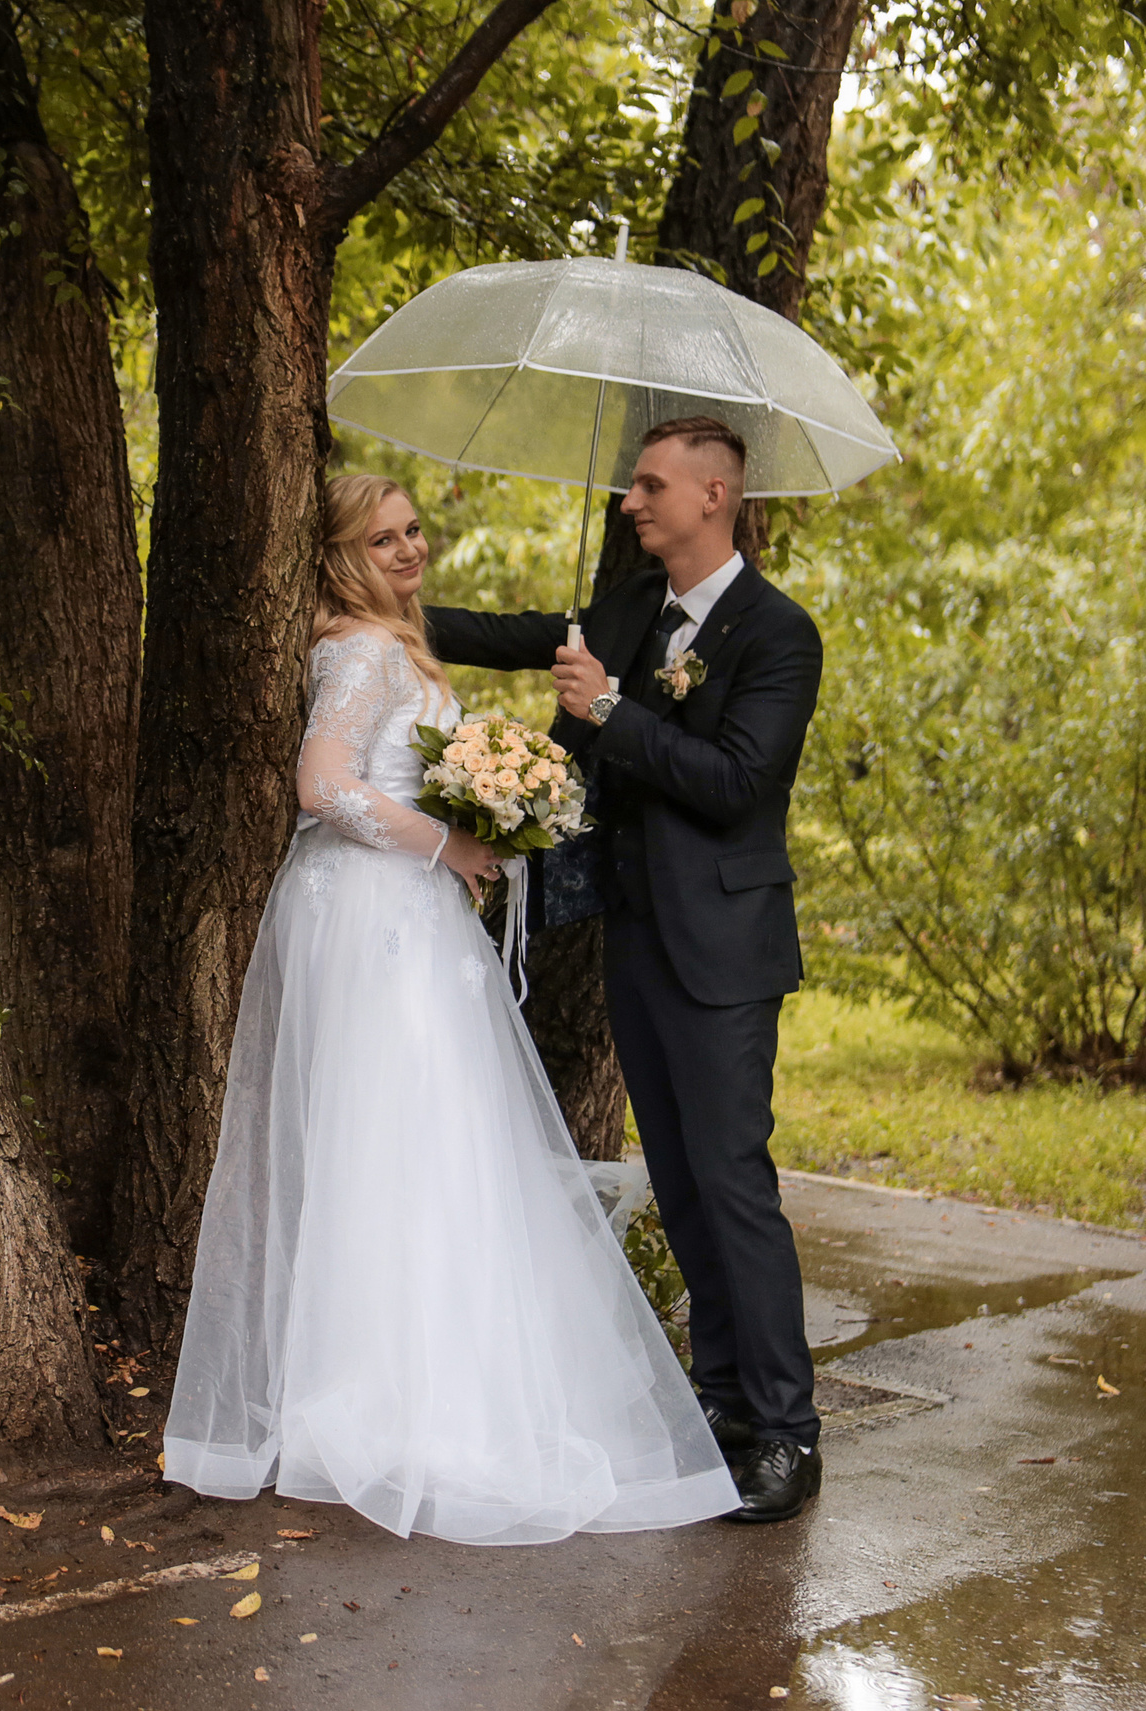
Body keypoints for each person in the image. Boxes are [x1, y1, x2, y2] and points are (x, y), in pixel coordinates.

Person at [161, 473, 741, 1546]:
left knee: (427, 1140)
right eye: (381, 539)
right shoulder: (362, 652)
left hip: (406, 914)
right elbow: (323, 784)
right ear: (339, 555)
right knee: (386, 1139)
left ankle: (429, 1388)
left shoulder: (398, 644)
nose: (407, 551)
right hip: (370, 919)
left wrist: (486, 803)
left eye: (414, 531)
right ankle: (372, 1408)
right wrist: (452, 843)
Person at [425, 415, 827, 1523]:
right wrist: (376, 612)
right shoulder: (628, 609)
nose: (628, 503)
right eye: (629, 487)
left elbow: (737, 780)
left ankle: (789, 1432)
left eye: (648, 488)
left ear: (713, 496)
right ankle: (721, 1406)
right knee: (684, 1187)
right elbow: (509, 634)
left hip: (726, 951)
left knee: (734, 1183)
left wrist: (607, 709)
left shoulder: (777, 634)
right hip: (637, 939)